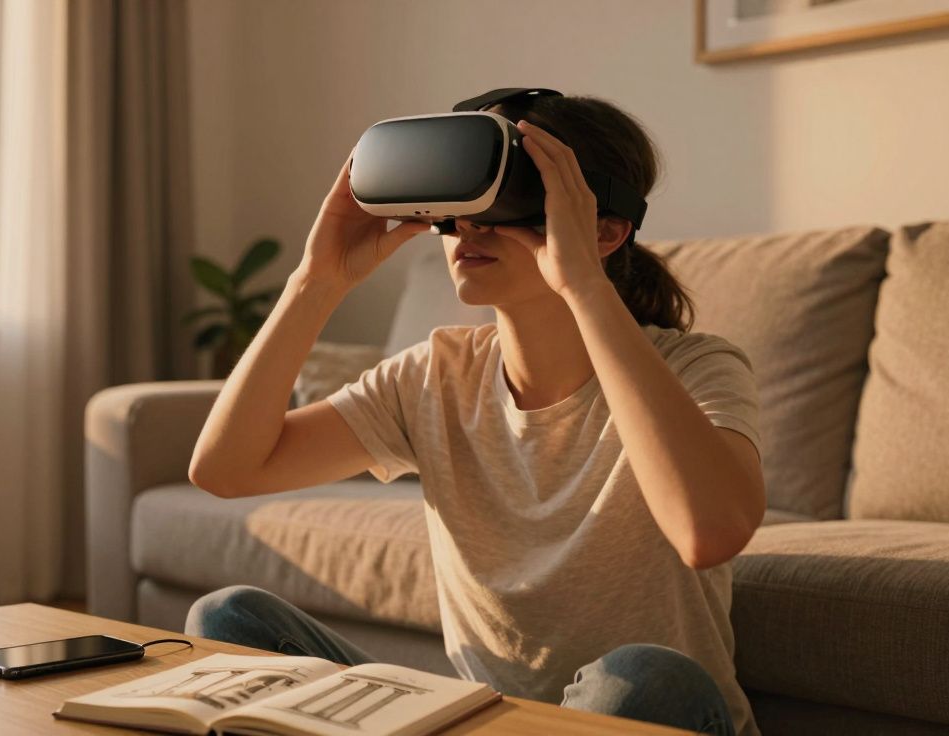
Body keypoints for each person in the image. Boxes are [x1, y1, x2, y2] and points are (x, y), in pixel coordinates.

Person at [184, 92, 764, 736]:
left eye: (507, 203)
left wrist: (584, 286)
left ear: (605, 228)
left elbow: (708, 532)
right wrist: (316, 280)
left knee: (644, 677)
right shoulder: (437, 374)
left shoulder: (696, 367)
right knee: (230, 619)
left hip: (643, 718)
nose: (469, 230)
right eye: (459, 210)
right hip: (481, 723)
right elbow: (226, 471)